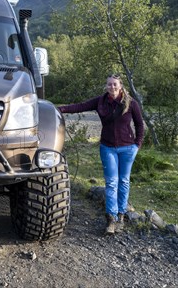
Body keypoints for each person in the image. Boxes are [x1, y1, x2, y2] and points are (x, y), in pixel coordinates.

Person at [58, 74, 144, 235]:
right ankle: (111, 218)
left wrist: (137, 145)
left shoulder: (131, 103)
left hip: (127, 148)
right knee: (112, 182)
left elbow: (140, 125)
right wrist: (60, 109)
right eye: (109, 84)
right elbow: (80, 106)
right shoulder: (100, 101)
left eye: (115, 84)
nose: (112, 87)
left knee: (124, 181)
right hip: (108, 148)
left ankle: (121, 216)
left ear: (121, 85)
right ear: (106, 86)